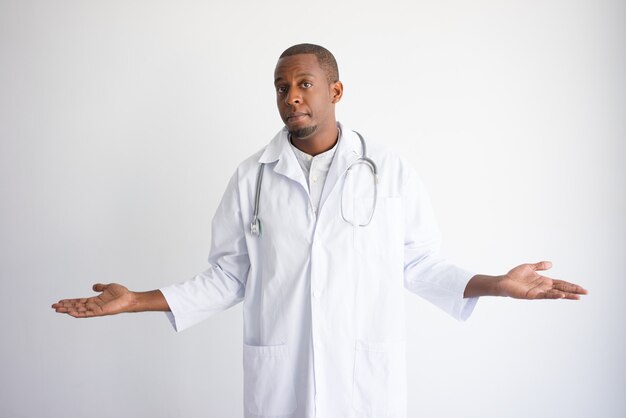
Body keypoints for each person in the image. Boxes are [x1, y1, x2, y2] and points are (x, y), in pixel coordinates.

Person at [52, 43, 587, 418]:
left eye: (304, 84)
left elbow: (419, 263)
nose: (292, 96)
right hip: (281, 382)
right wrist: (135, 300)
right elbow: (229, 277)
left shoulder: (388, 169)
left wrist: (497, 283)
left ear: (335, 90)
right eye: (281, 87)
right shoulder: (252, 177)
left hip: (364, 385)